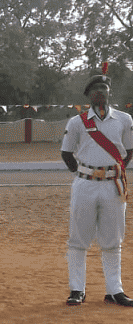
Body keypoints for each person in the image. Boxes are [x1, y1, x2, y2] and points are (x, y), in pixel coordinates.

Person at [60, 62, 133, 307]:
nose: (99, 91)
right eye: (95, 89)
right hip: (85, 185)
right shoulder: (77, 122)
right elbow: (67, 153)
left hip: (113, 185)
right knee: (78, 240)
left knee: (113, 240)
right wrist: (83, 173)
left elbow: (129, 150)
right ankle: (76, 289)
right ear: (88, 95)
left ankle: (115, 290)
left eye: (103, 87)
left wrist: (115, 170)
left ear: (109, 92)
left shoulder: (123, 119)